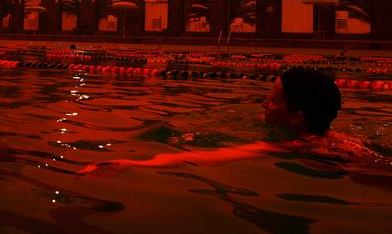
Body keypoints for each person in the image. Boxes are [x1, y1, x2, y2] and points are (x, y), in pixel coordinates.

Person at [79, 69, 344, 177]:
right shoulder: (341, 140)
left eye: (273, 100)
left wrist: (133, 163)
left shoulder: (292, 147)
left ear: (297, 117)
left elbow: (210, 158)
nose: (263, 105)